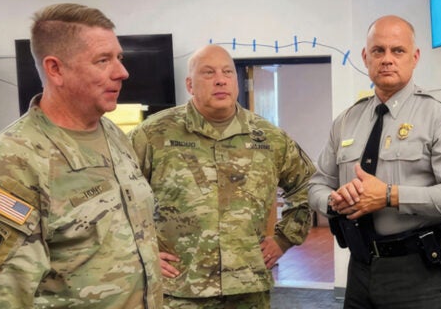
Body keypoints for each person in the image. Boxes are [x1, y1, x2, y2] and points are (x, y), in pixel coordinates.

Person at [308, 15, 441, 309]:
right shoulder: (346, 121)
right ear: (366, 57)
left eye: (397, 51)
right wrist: (333, 201)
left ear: (414, 58)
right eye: (378, 51)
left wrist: (390, 195)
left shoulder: (440, 116)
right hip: (361, 267)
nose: (387, 59)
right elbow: (317, 183)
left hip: (419, 272)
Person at [0, 3, 163, 308]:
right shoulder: (13, 160)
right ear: (55, 69)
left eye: (119, 58)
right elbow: (5, 293)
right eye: (102, 60)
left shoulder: (113, 134)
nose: (122, 72)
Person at [129, 44, 316, 308]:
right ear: (190, 84)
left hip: (247, 288)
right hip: (178, 290)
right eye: (208, 73)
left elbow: (308, 184)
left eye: (227, 72)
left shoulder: (269, 137)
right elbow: (115, 194)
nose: (220, 79)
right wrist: (138, 250)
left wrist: (285, 238)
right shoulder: (153, 134)